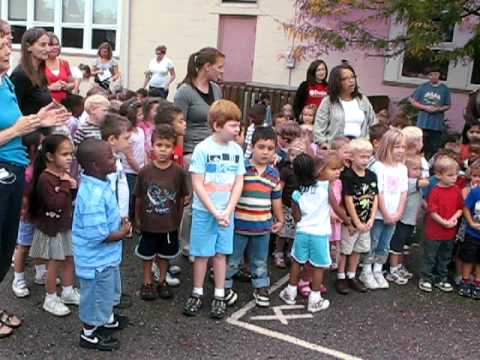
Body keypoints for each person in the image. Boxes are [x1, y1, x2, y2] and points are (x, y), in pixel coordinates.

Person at [0, 35, 69, 338]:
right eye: (1, 45)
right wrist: (19, 128)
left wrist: (39, 119)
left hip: (15, 168)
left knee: (4, 248)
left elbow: (18, 122)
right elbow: (12, 129)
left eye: (7, 43)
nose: (7, 50)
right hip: (3, 169)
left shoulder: (6, 83)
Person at [182, 100, 245, 319]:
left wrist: (228, 210)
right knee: (201, 254)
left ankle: (219, 294)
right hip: (204, 212)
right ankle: (197, 292)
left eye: (238, 125)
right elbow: (197, 183)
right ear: (218, 126)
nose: (238, 129)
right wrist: (214, 211)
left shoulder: (237, 150)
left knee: (220, 254)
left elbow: (238, 183)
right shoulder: (203, 149)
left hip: (226, 214)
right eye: (233, 125)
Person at [73, 139, 131, 351]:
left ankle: (107, 320)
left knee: (107, 293)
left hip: (105, 259)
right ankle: (89, 333)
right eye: (109, 156)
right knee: (96, 297)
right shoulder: (92, 197)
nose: (114, 158)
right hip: (96, 261)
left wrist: (120, 224)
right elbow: (98, 235)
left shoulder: (99, 182)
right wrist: (123, 232)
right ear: (95, 165)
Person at [279, 152, 349, 312]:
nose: (338, 171)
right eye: (333, 169)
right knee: (319, 267)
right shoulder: (326, 187)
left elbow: (296, 217)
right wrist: (348, 221)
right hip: (319, 234)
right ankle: (315, 299)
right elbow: (337, 209)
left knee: (297, 262)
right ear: (319, 170)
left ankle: (290, 292)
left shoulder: (299, 190)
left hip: (302, 232)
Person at [225, 127, 284, 307]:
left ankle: (260, 287)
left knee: (259, 260)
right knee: (232, 259)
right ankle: (224, 286)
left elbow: (276, 199)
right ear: (252, 146)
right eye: (261, 147)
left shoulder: (273, 173)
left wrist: (279, 219)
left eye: (270, 148)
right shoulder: (242, 167)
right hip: (239, 225)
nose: (265, 152)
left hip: (262, 227)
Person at [174, 47, 224, 257]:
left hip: (214, 151)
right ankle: (185, 244)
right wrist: (178, 158)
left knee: (212, 200)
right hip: (192, 153)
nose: (222, 72)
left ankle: (203, 242)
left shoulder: (216, 89)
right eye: (219, 67)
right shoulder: (185, 91)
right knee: (193, 203)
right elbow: (178, 127)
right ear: (207, 67)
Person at [134, 125, 188, 301]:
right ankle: (147, 282)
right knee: (147, 254)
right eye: (159, 145)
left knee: (165, 255)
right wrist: (137, 218)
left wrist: (177, 219)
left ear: (174, 148)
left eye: (167, 146)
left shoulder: (179, 172)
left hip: (169, 224)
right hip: (149, 223)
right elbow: (139, 197)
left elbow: (181, 198)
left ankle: (162, 280)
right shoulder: (145, 171)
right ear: (152, 146)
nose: (163, 150)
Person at [28, 134, 80, 316]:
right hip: (52, 228)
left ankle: (67, 291)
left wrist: (72, 188)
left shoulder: (63, 176)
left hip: (64, 225)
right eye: (65, 154)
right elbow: (55, 204)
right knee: (55, 263)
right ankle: (50, 298)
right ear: (50, 156)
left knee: (69, 258)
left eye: (71, 154)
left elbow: (67, 201)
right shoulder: (45, 178)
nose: (69, 158)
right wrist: (66, 185)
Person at [360, 129, 408, 290]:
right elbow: (377, 192)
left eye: (403, 147)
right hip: (379, 215)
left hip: (394, 215)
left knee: (385, 244)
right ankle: (366, 270)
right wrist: (386, 213)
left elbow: (403, 192)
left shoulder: (402, 168)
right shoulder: (378, 167)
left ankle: (378, 269)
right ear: (387, 146)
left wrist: (398, 213)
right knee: (372, 242)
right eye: (397, 147)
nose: (400, 150)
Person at [335, 139, 378, 295]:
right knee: (345, 250)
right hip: (351, 223)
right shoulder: (347, 176)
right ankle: (341, 277)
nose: (365, 160)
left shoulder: (372, 175)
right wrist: (356, 222)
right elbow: (348, 199)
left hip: (366, 222)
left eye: (368, 157)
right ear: (352, 157)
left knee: (358, 250)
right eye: (362, 157)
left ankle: (352, 276)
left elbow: (375, 197)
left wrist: (371, 219)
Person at [419, 156, 463, 293]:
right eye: (450, 175)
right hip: (434, 231)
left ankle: (441, 278)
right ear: (438, 175)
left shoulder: (456, 190)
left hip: (449, 231)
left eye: (456, 174)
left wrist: (454, 219)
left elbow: (460, 208)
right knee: (430, 255)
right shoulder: (435, 191)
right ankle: (426, 277)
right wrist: (444, 222)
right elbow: (432, 211)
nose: (454, 177)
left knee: (445, 256)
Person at [11, 131, 44, 298]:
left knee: (39, 241)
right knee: (23, 245)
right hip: (27, 212)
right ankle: (18, 279)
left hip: (39, 210)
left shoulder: (39, 163)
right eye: (41, 143)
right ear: (32, 147)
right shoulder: (23, 167)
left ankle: (40, 272)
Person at [387, 155, 428, 285]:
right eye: (415, 169)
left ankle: (399, 266)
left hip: (411, 220)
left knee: (404, 245)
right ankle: (392, 269)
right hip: (402, 219)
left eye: (420, 168)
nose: (419, 171)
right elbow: (419, 184)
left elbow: (419, 198)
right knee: (396, 246)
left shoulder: (416, 182)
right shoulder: (407, 182)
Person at [314, 64, 376, 145]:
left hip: (360, 148)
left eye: (353, 77)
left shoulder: (363, 100)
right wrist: (324, 144)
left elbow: (373, 124)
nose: (351, 80)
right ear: (336, 82)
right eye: (345, 78)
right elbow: (318, 130)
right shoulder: (328, 101)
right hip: (335, 148)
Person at [274, 138, 304, 269]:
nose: (294, 158)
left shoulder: (303, 172)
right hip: (285, 205)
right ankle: (278, 253)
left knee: (294, 232)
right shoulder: (286, 171)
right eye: (292, 155)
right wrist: (278, 204)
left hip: (298, 206)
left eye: (298, 156)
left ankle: (290, 252)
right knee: (283, 232)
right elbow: (280, 188)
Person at [409, 66, 451, 158]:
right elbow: (412, 100)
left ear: (439, 75)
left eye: (435, 74)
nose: (433, 76)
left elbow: (448, 105)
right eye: (430, 75)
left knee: (434, 147)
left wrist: (438, 109)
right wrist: (424, 107)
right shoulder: (423, 87)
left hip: (436, 124)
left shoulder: (444, 89)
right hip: (423, 122)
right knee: (420, 146)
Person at [10, 27, 53, 116]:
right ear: (28, 47)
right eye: (43, 45)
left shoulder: (39, 73)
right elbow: (13, 111)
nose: (48, 49)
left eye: (48, 44)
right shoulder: (20, 75)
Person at [459, 159, 480, 299]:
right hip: (473, 233)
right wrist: (471, 222)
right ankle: (465, 281)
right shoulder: (475, 192)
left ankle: (478, 283)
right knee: (468, 258)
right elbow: (466, 207)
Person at [45, 33, 76, 103]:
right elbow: (34, 90)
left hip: (64, 104)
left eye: (56, 44)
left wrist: (67, 86)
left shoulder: (64, 63)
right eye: (51, 45)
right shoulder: (39, 65)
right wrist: (50, 88)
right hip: (46, 104)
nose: (55, 47)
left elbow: (73, 83)